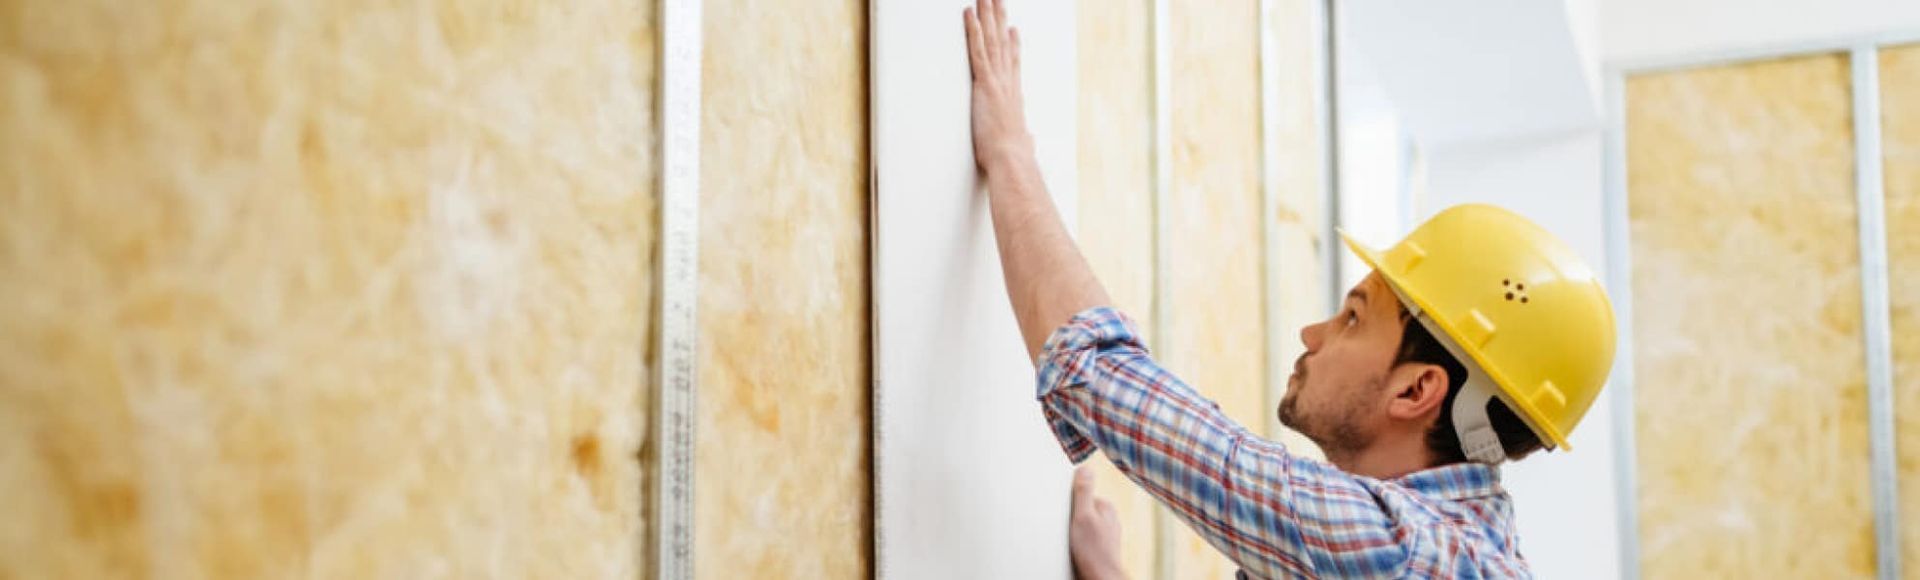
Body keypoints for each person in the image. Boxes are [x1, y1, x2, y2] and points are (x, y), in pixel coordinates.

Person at [961, 0, 1617, 577]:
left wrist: (1009, 151)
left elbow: (1096, 374)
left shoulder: (1403, 552)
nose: (1312, 333)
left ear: (1417, 390)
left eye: (1353, 318)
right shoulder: (1461, 551)